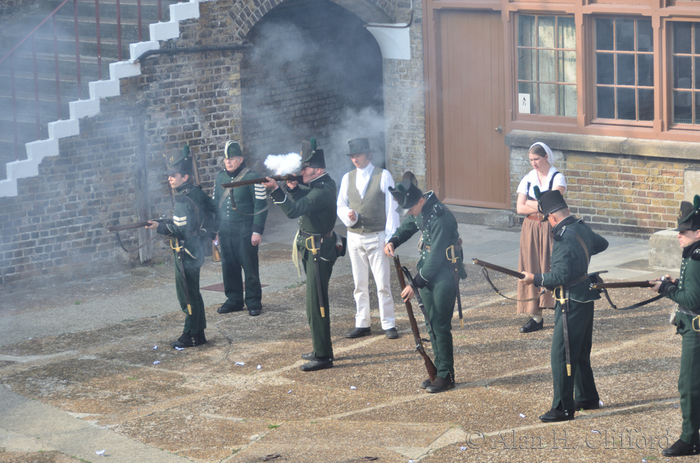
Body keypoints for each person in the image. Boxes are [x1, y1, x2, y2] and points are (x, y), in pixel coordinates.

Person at [520, 188, 608, 422]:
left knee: (562, 354)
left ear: (552, 217)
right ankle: (587, 397)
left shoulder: (562, 238)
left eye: (546, 219)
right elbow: (602, 243)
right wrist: (581, 256)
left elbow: (558, 277)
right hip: (584, 297)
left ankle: (563, 407)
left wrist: (535, 278)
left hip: (570, 301)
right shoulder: (580, 227)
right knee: (578, 353)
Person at [384, 174, 466, 393]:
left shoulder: (440, 217)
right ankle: (438, 371)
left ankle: (446, 375)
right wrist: (393, 241)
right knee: (430, 323)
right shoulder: (420, 208)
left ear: (420, 201)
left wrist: (415, 284)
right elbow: (408, 228)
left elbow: (437, 256)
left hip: (445, 273)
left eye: (410, 209)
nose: (409, 213)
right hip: (429, 271)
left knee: (440, 324)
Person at [261, 140, 338, 372]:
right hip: (313, 248)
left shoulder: (322, 191)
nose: (301, 172)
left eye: (306, 169)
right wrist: (293, 188)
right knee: (312, 302)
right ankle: (319, 347)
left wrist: (277, 190)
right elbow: (305, 194)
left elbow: (295, 210)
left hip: (318, 250)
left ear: (318, 170)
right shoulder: (322, 184)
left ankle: (323, 355)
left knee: (317, 303)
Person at [147, 149, 220, 348]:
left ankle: (190, 334)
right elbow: (213, 211)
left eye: (174, 175)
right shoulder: (196, 191)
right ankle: (199, 333)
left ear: (185, 177)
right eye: (169, 175)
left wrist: (159, 227)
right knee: (194, 293)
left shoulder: (181, 199)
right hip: (194, 250)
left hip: (185, 252)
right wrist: (207, 231)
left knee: (187, 295)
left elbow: (180, 230)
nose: (170, 179)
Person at [649, 197, 700, 457]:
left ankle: (690, 439)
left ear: (698, 233)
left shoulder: (695, 257)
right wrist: (678, 283)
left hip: (696, 330)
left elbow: (693, 300)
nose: (679, 235)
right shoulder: (695, 253)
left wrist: (667, 289)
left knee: (689, 385)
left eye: (684, 232)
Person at [337, 137, 400, 340]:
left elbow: (392, 209)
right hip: (355, 237)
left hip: (377, 235)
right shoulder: (347, 178)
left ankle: (388, 323)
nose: (355, 159)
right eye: (353, 156)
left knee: (382, 283)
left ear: (369, 155)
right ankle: (362, 323)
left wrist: (390, 239)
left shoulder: (384, 175)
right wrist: (349, 216)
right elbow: (341, 205)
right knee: (359, 284)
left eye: (359, 155)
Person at [212, 141, 268, 317]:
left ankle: (253, 301)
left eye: (232, 159)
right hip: (225, 229)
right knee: (229, 266)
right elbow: (215, 205)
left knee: (249, 267)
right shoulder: (220, 178)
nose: (228, 162)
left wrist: (257, 230)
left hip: (245, 229)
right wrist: (215, 230)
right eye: (226, 159)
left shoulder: (253, 177)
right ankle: (234, 300)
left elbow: (260, 206)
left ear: (240, 159)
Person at [515, 142, 567, 333]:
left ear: (546, 157)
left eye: (536, 159)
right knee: (531, 266)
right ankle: (536, 317)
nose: (534, 163)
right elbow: (519, 208)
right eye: (531, 160)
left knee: (552, 265)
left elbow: (552, 204)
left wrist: (530, 202)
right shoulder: (528, 178)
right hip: (530, 227)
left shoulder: (557, 177)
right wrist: (538, 204)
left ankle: (560, 310)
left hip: (550, 226)